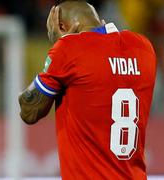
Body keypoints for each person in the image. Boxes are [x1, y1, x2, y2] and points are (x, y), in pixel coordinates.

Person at [18, 0, 156, 179]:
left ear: (61, 26)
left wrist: (58, 47)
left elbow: (28, 112)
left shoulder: (69, 50)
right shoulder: (144, 48)